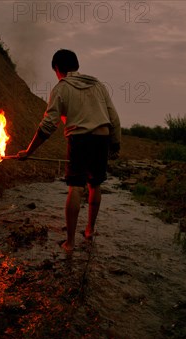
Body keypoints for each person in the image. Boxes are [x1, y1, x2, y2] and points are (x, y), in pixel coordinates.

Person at [15, 49, 121, 252]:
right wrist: (115, 144)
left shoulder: (61, 88)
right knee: (95, 184)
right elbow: (114, 117)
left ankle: (70, 242)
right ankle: (90, 230)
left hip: (80, 138)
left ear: (57, 69)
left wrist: (28, 151)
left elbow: (48, 125)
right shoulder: (98, 85)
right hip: (102, 137)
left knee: (75, 187)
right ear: (77, 65)